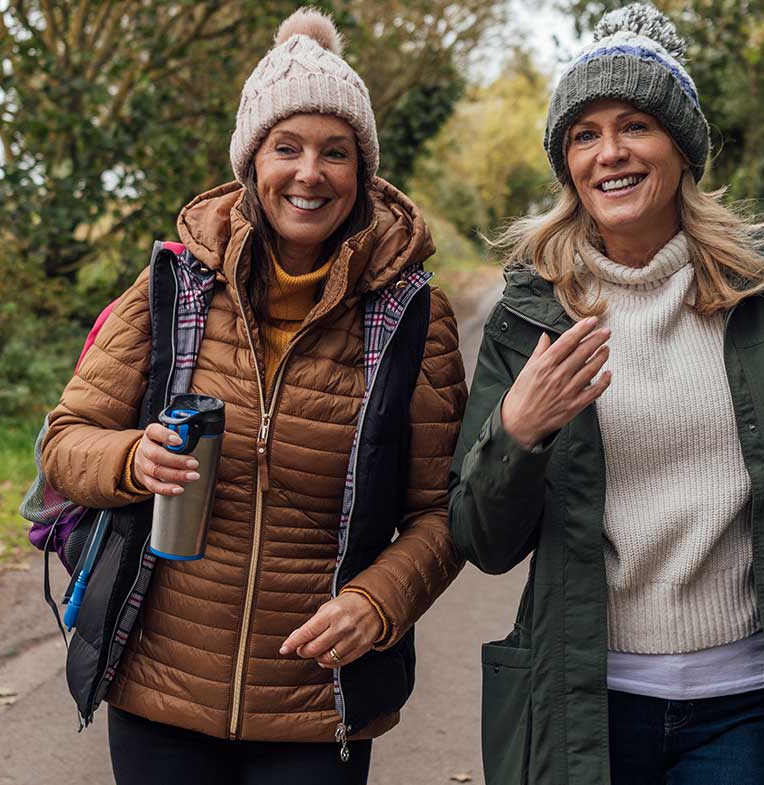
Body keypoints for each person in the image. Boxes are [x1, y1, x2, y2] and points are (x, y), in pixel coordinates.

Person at [447, 5, 764, 784]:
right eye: (585, 134)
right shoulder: (533, 312)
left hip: (752, 708)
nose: (610, 151)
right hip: (590, 709)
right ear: (568, 165)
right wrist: (518, 431)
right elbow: (483, 539)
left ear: (681, 148)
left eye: (636, 126)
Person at [40, 8, 466, 785]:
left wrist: (380, 600)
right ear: (251, 162)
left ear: (362, 172)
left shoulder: (410, 314)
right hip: (159, 689)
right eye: (287, 147)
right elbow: (66, 442)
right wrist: (132, 459)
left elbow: (439, 510)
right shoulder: (176, 285)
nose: (310, 173)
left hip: (315, 703)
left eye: (335, 152)